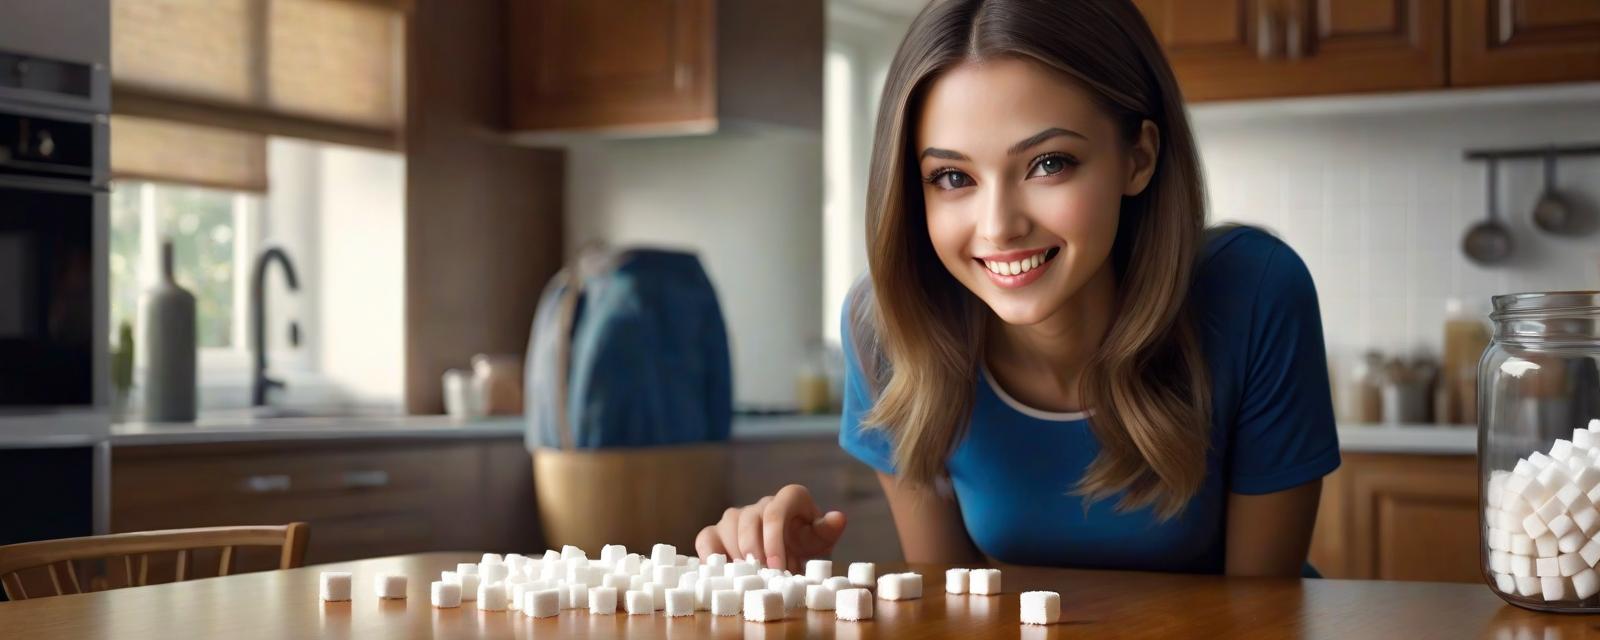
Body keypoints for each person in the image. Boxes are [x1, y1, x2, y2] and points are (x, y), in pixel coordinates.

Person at [696, 0, 1339, 577]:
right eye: (951, 177)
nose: (999, 226)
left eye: (1048, 164)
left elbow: (1262, 610)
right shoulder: (888, 328)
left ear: (1137, 159)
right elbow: (957, 607)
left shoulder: (1255, 293)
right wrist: (782, 569)